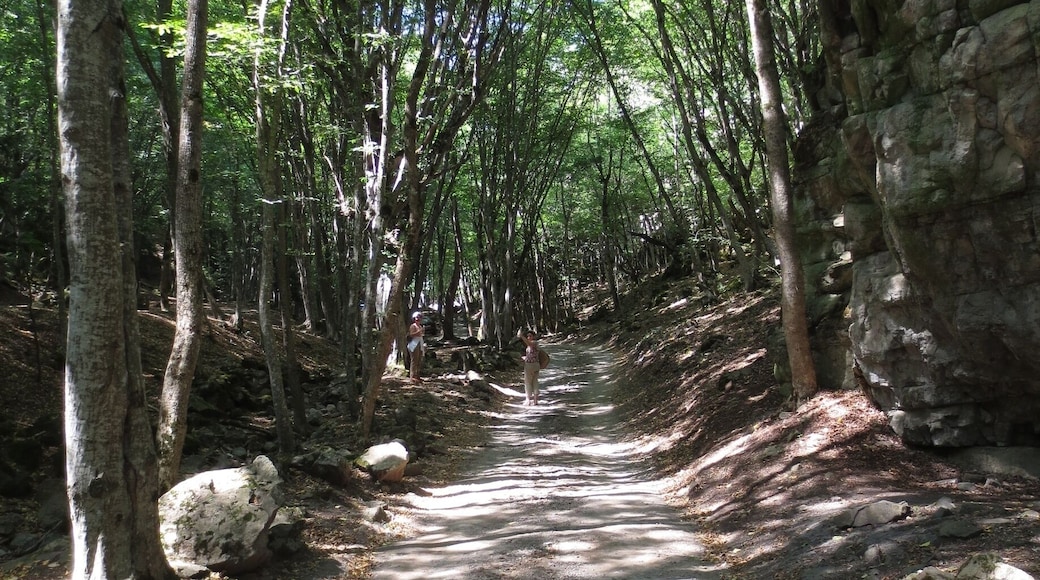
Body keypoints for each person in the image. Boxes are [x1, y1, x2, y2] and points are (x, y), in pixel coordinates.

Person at [520, 330, 541, 405]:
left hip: (531, 365)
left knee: (528, 382)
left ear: (534, 336)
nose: (529, 337)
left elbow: (529, 343)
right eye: (527, 336)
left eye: (530, 336)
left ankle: (528, 400)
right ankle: (535, 401)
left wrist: (521, 336)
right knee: (535, 381)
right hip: (534, 365)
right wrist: (524, 358)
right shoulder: (531, 345)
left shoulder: (534, 343)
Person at [407, 311, 425, 382]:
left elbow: (421, 334)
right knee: (414, 360)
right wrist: (419, 331)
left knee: (418, 360)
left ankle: (417, 375)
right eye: (416, 317)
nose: (417, 319)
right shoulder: (413, 326)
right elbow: (411, 334)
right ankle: (412, 377)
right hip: (414, 344)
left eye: (419, 317)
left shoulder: (420, 326)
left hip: (419, 343)